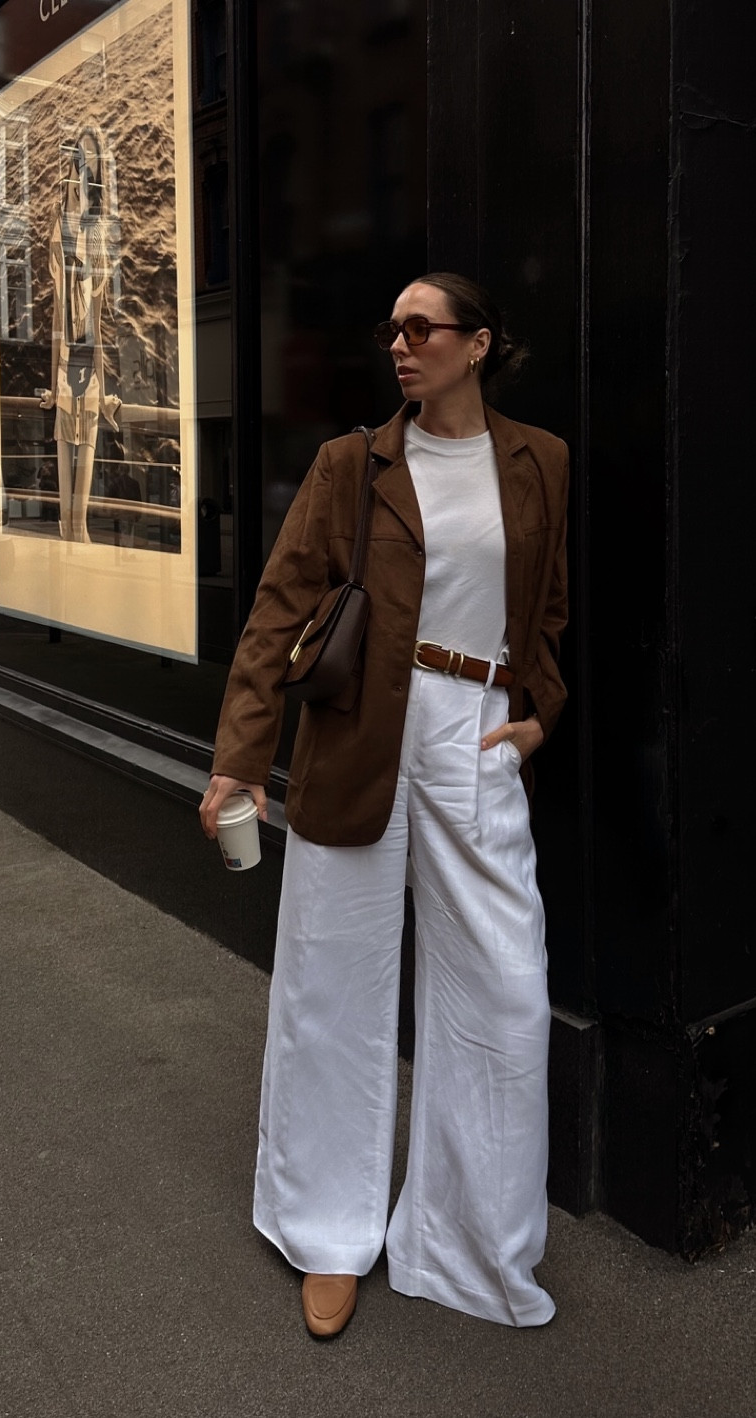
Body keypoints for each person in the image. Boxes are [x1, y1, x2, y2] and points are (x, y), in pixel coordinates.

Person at [200, 272, 569, 1336]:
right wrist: (238, 757)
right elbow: (278, 610)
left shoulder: (539, 460)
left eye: (423, 328)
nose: (401, 346)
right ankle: (326, 1230)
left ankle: (468, 1244)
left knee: (504, 990)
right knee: (333, 982)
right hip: (360, 723)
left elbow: (546, 606)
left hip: (477, 730)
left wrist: (541, 706)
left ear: (479, 342)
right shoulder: (352, 463)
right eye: (392, 330)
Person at [38, 124, 120, 543]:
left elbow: (100, 321)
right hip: (67, 362)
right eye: (79, 162)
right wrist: (53, 383)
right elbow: (56, 315)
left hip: (87, 368)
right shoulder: (60, 227)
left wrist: (104, 390)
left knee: (80, 526)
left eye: (91, 164)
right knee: (66, 523)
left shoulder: (99, 232)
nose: (84, 172)